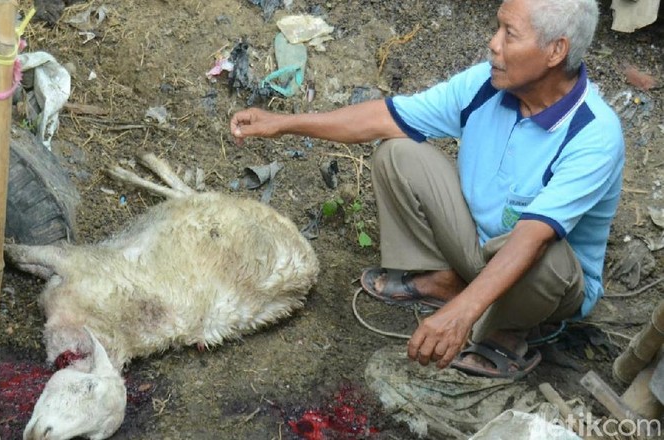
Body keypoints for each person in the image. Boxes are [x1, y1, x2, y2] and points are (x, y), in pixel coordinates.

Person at [229, 0, 625, 380]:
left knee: (546, 253)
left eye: (510, 33)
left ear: (556, 51)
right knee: (397, 151)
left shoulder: (593, 134)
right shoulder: (486, 86)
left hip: (543, 283)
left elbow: (531, 239)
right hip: (478, 245)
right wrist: (283, 122)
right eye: (497, 27)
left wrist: (462, 315)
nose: (494, 42)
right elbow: (384, 117)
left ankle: (507, 333)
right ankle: (445, 279)